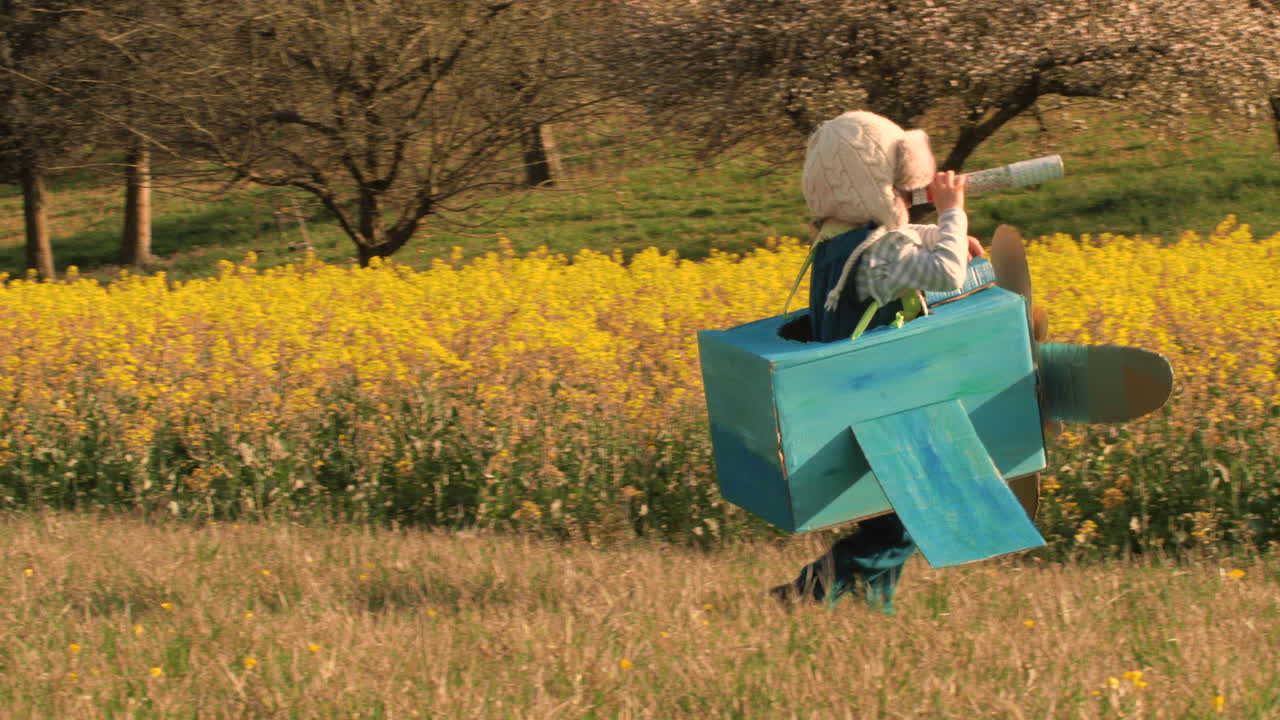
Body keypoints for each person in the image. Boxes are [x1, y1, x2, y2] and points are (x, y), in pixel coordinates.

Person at [770, 110, 985, 612]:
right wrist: (953, 215)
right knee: (906, 520)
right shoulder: (877, 252)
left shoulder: (835, 243)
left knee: (888, 516)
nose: (908, 202)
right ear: (876, 188)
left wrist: (938, 238)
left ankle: (873, 609)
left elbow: (905, 246)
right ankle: (804, 594)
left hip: (851, 401)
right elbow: (948, 275)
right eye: (903, 191)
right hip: (882, 405)